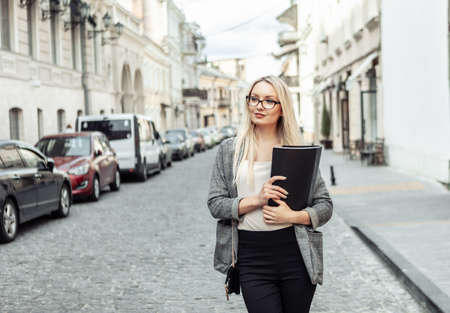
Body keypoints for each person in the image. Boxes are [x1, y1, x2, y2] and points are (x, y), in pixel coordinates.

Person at [207, 75, 333, 313]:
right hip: (252, 257)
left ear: (282, 108)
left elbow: (325, 205)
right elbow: (215, 204)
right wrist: (257, 200)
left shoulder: (297, 150)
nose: (258, 106)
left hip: (295, 254)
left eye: (268, 101)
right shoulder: (230, 150)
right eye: (254, 99)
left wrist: (293, 217)